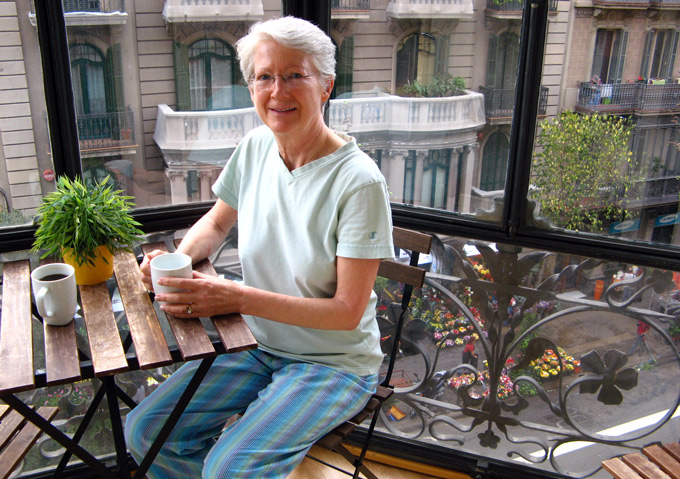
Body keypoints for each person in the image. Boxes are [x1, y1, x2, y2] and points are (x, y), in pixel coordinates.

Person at [124, 17, 394, 479]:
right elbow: (215, 221)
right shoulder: (254, 147)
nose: (278, 91)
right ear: (251, 87)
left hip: (334, 363)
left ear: (325, 86)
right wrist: (179, 262)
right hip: (258, 344)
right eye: (265, 76)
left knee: (229, 468)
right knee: (146, 431)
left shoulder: (359, 181)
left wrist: (236, 297)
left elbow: (347, 311)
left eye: (295, 75)